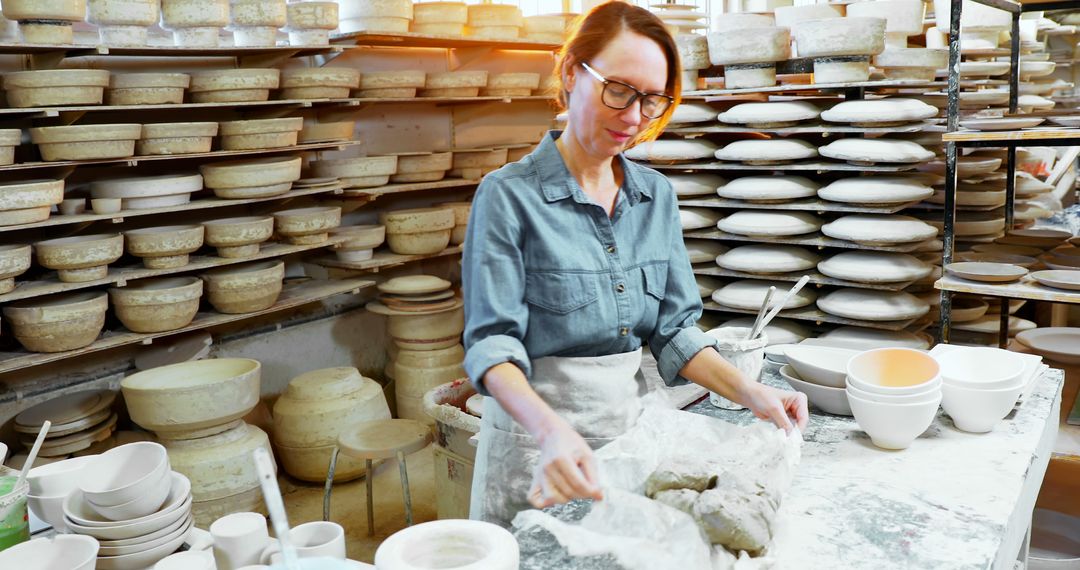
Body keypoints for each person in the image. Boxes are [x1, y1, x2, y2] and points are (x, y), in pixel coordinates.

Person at [461, 1, 810, 528]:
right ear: (573, 72)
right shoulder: (508, 197)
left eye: (650, 100)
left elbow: (673, 333)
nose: (633, 117)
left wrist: (753, 393)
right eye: (618, 90)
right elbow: (491, 346)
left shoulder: (656, 197)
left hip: (630, 440)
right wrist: (550, 430)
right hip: (536, 451)